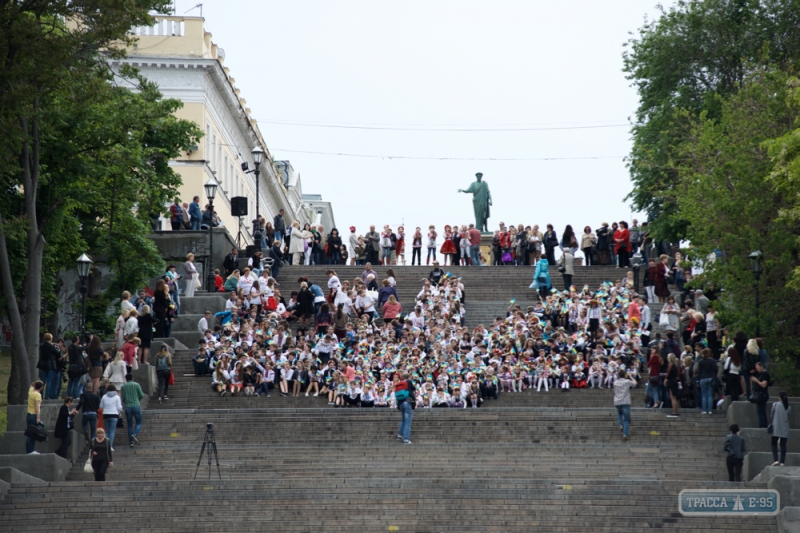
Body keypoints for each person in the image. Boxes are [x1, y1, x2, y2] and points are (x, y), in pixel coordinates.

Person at [613, 369, 637, 441]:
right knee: (626, 419)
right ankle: (625, 434)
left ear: (618, 375)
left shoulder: (615, 382)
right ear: (624, 375)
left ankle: (620, 424)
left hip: (617, 401)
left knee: (619, 413)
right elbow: (635, 383)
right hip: (625, 401)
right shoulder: (627, 381)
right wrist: (631, 377)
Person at [121, 374, 144, 447]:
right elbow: (141, 395)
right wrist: (137, 400)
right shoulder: (136, 385)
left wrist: (127, 402)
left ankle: (131, 442)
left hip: (128, 407)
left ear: (126, 379)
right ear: (133, 378)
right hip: (136, 405)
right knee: (139, 422)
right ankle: (135, 434)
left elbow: (123, 398)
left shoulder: (123, 386)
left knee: (129, 425)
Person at [98, 384, 122, 451]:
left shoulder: (104, 396)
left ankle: (105, 445)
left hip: (106, 415)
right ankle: (110, 446)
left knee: (107, 431)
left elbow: (101, 406)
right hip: (114, 415)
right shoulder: (117, 397)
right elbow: (119, 407)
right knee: (112, 431)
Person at [771, 392, 791, 466]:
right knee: (783, 445)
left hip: (776, 426)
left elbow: (772, 414)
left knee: (773, 443)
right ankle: (782, 462)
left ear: (780, 398)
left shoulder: (775, 404)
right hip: (785, 427)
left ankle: (776, 459)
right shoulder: (788, 407)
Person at [395, 372, 415, 444]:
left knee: (403, 420)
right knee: (407, 422)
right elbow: (413, 388)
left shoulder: (400, 384)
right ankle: (406, 439)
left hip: (400, 403)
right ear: (408, 377)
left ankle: (399, 435)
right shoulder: (409, 382)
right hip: (407, 402)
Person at [696, 348, 718, 415]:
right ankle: (710, 410)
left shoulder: (700, 361)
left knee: (704, 395)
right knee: (710, 395)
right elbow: (716, 369)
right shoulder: (712, 361)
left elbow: (699, 372)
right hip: (710, 378)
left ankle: (704, 410)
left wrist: (697, 381)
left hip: (702, 378)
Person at [750, 361, 770, 428]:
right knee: (760, 411)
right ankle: (763, 425)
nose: (757, 370)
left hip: (762, 395)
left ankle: (762, 426)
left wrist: (756, 381)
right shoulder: (761, 374)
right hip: (759, 395)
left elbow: (764, 385)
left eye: (758, 368)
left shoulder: (765, 374)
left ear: (762, 367)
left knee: (761, 411)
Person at [25, 381, 43, 454]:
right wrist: (38, 417)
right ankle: (31, 450)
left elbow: (31, 384)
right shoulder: (37, 395)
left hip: (29, 415)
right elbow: (37, 406)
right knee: (33, 433)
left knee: (29, 433)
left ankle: (29, 450)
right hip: (33, 415)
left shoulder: (31, 391)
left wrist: (37, 382)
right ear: (41, 388)